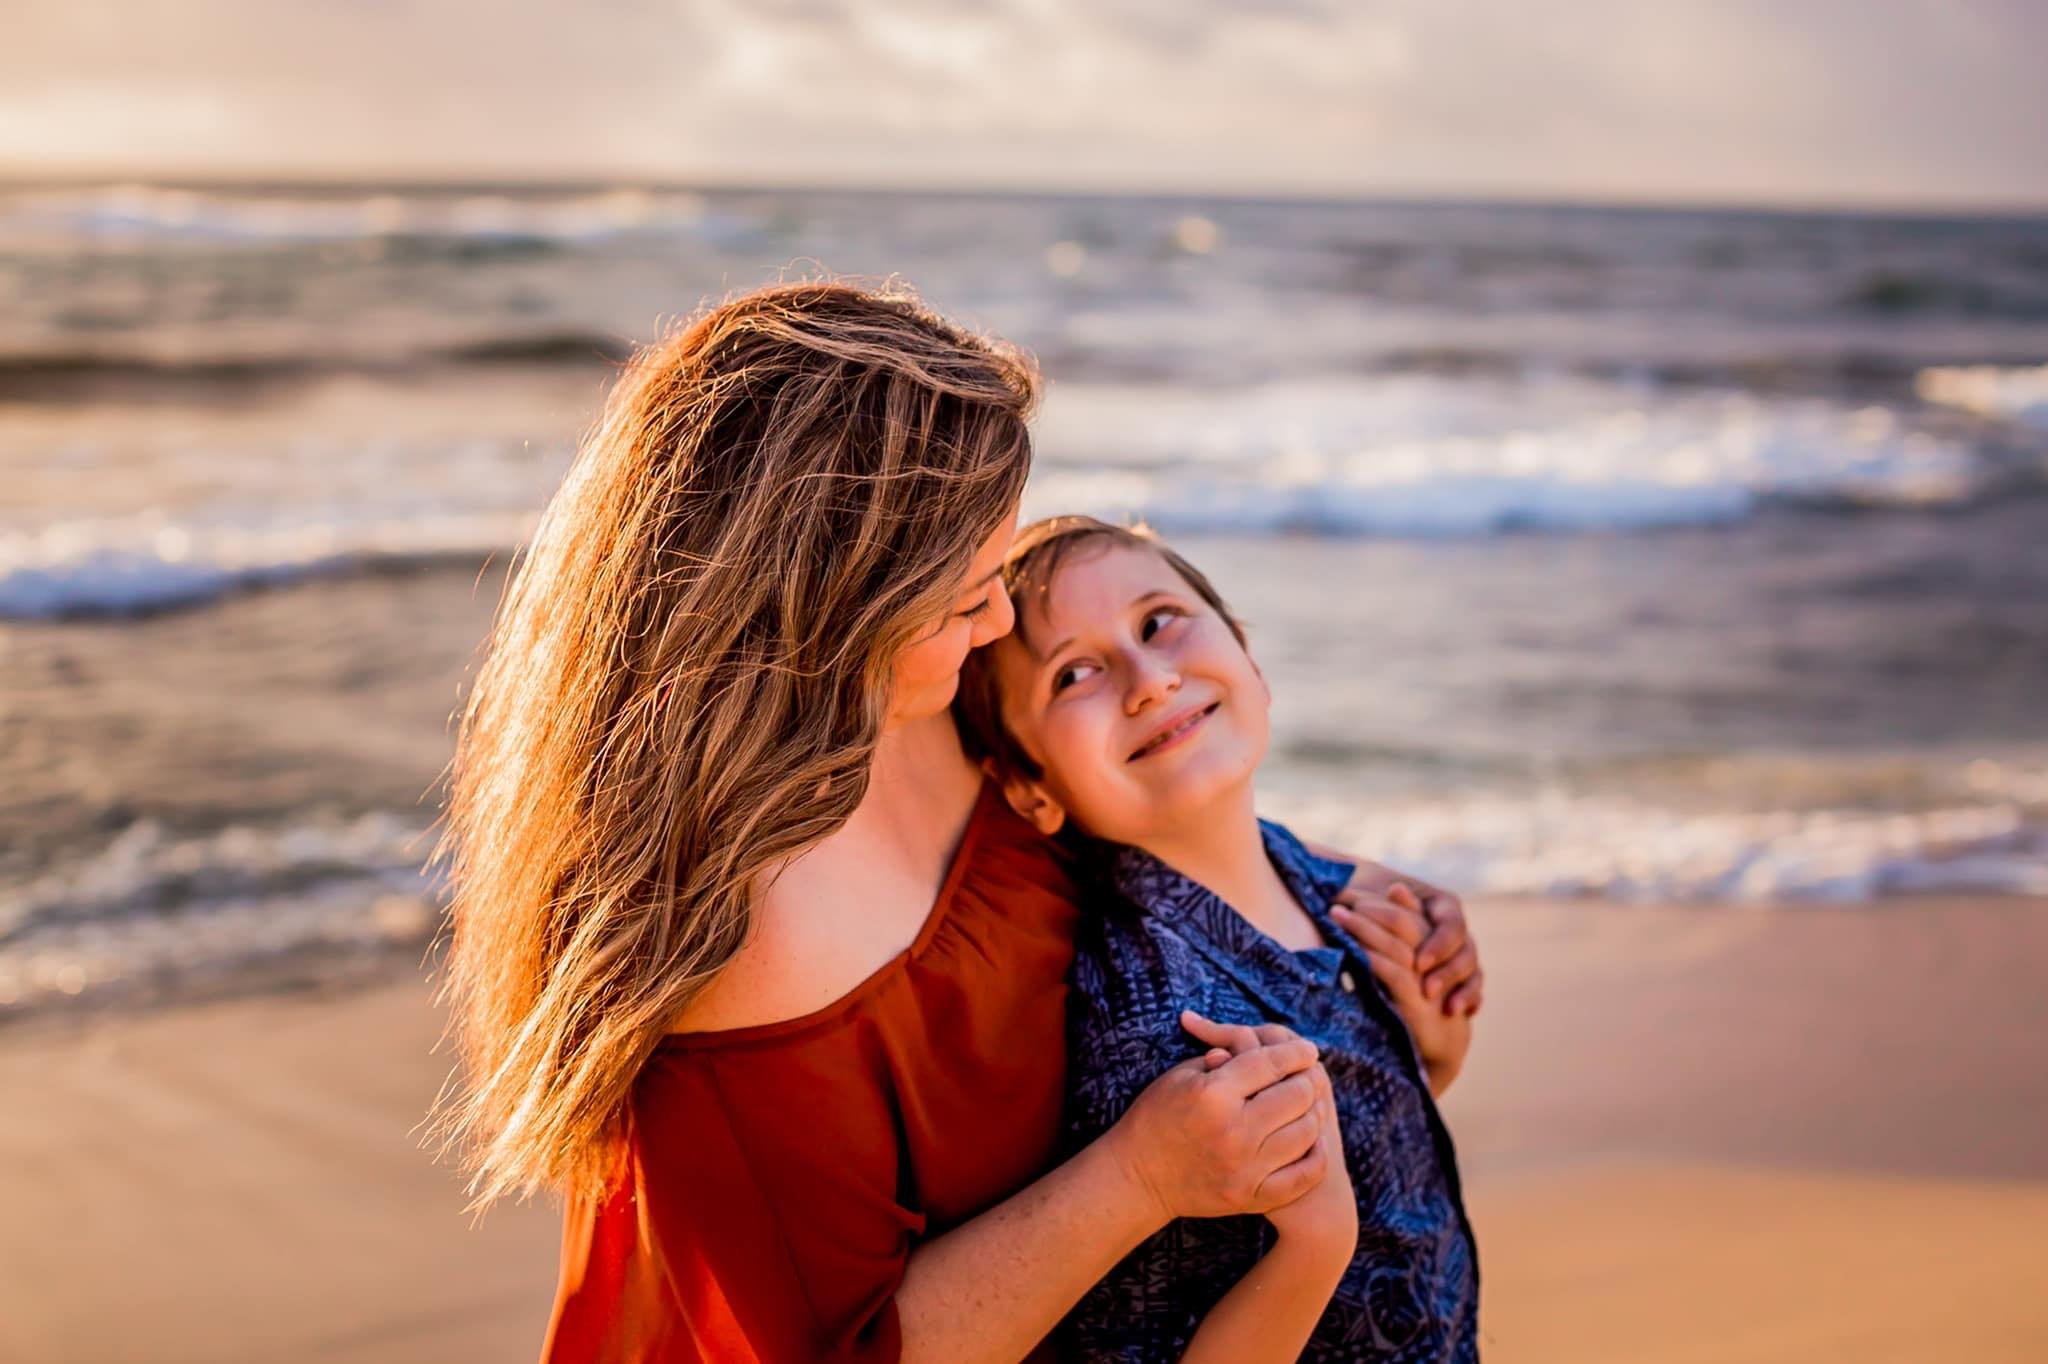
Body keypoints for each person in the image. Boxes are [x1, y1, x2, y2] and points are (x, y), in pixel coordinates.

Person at [433, 281, 1481, 1363]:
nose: (998, 619)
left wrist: (1366, 921)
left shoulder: (925, 697)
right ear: (835, 601)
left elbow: (1130, 822)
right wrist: (1138, 1177)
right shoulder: (751, 930)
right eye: (964, 591)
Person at [953, 516, 1479, 1361]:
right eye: (1075, 674)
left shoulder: (1300, 873)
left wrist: (1432, 1055)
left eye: (1159, 622)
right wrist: (1316, 1248)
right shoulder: (1160, 1033)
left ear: (1248, 657)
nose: (1151, 680)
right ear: (1028, 788)